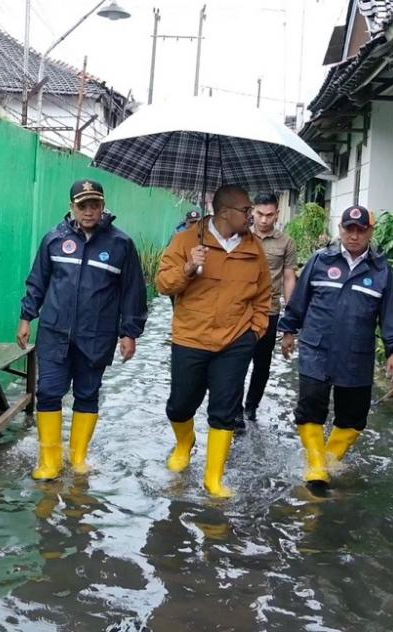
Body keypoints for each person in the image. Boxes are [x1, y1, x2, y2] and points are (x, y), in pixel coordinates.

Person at [17, 179, 147, 481]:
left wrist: (130, 333)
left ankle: (78, 458)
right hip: (54, 332)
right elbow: (38, 281)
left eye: (95, 205)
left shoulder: (120, 245)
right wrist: (26, 317)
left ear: (103, 206)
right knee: (48, 392)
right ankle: (49, 459)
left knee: (87, 394)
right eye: (82, 205)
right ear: (71, 207)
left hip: (97, 335)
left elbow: (133, 292)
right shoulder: (54, 239)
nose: (89, 211)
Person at [278, 205, 393, 494]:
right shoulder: (320, 261)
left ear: (371, 232)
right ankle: (316, 467)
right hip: (316, 349)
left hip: (356, 354)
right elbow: (299, 299)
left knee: (354, 416)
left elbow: (391, 313)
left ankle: (329, 460)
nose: (355, 235)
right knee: (310, 407)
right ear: (340, 230)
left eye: (361, 230)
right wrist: (288, 330)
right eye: (349, 229)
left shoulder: (381, 270)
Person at [156, 184, 272, 498]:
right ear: (224, 212)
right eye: (246, 210)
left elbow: (264, 296)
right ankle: (185, 443)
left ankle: (214, 479)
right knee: (180, 406)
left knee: (224, 412)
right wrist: (189, 267)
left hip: (235, 342)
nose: (251, 216)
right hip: (190, 338)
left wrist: (254, 332)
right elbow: (163, 284)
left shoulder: (254, 249)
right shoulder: (186, 240)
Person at [238, 192, 297, 427]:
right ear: (252, 211)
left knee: (262, 363)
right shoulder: (240, 236)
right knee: (236, 361)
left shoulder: (286, 243)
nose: (264, 220)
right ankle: (233, 408)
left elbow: (289, 277)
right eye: (260, 214)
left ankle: (251, 407)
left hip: (269, 311)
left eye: (269, 215)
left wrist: (290, 318)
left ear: (277, 214)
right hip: (240, 310)